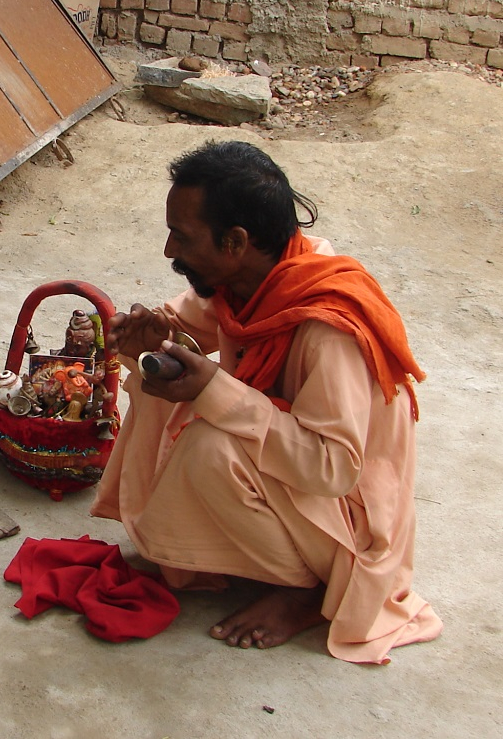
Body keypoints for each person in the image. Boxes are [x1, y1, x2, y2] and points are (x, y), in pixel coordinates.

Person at [92, 140, 442, 664]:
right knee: (159, 382)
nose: (169, 251)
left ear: (235, 241)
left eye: (182, 237)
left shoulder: (327, 328)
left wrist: (214, 389)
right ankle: (248, 552)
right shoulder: (253, 274)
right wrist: (153, 336)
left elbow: (334, 469)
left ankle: (314, 589)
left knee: (211, 442)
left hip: (351, 511)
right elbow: (191, 323)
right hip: (303, 482)